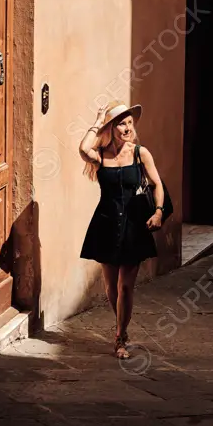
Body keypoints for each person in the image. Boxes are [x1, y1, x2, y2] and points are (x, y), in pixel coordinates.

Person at [78, 100, 164, 358]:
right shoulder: (101, 155)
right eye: (121, 124)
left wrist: (158, 212)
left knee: (126, 286)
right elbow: (83, 149)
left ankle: (120, 337)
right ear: (111, 128)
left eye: (129, 123)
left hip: (134, 224)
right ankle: (122, 326)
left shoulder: (140, 154)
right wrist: (96, 122)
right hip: (105, 223)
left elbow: (157, 183)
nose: (127, 128)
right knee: (111, 288)